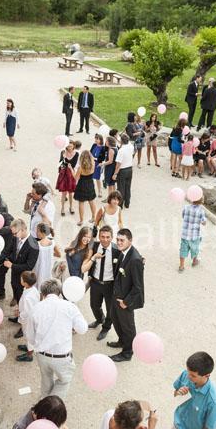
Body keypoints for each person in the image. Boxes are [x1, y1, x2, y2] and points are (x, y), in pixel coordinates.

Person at [31, 279, 88, 398]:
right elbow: (82, 329)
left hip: (42, 354)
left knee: (46, 380)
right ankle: (50, 404)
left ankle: (44, 401)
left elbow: (30, 335)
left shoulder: (36, 308)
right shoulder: (70, 306)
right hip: (62, 356)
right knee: (64, 381)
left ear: (43, 293)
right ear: (60, 292)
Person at [108, 229, 144, 362]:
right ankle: (122, 341)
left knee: (127, 326)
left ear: (130, 240)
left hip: (125, 301)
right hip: (116, 295)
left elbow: (138, 287)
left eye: (122, 240)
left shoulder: (135, 260)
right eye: (117, 240)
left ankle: (127, 352)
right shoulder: (123, 252)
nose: (118, 242)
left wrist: (126, 302)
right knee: (115, 319)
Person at [80, 225, 120, 341]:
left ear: (112, 237)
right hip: (95, 282)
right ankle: (99, 319)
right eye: (102, 236)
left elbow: (128, 256)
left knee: (110, 310)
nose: (105, 240)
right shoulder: (94, 246)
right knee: (94, 305)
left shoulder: (117, 250)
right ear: (99, 236)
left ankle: (106, 327)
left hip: (110, 285)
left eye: (108, 237)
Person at [4, 219, 40, 305]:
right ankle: (15, 297)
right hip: (14, 270)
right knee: (13, 284)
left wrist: (12, 266)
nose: (14, 235)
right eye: (13, 233)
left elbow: (29, 266)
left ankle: (20, 304)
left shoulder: (33, 245)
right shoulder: (15, 237)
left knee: (20, 290)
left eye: (15, 233)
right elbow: (11, 250)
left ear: (23, 229)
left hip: (23, 274)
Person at [15, 271, 40, 362]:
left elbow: (28, 312)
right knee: (28, 334)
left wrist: (19, 314)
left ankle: (29, 355)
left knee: (29, 335)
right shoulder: (32, 289)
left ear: (25, 283)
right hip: (30, 317)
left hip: (28, 320)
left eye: (21, 279)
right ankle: (29, 348)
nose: (20, 280)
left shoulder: (28, 297)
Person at [179, 198, 206, 272]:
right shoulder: (201, 211)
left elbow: (183, 216)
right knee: (195, 248)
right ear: (201, 201)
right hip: (195, 235)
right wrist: (201, 221)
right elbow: (204, 222)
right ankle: (194, 261)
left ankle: (181, 266)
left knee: (183, 249)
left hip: (185, 234)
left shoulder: (186, 207)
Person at [74, 149, 97, 225]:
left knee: (81, 202)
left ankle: (81, 220)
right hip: (90, 183)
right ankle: (93, 217)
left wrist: (71, 170)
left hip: (82, 185)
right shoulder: (93, 164)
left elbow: (75, 178)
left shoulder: (80, 168)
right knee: (91, 201)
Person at [33, 223, 60, 288]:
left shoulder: (37, 244)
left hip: (39, 270)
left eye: (37, 231)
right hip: (49, 269)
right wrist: (49, 253)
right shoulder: (52, 242)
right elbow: (58, 254)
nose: (36, 233)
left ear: (43, 233)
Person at [56, 142, 78, 216]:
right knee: (63, 193)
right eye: (68, 146)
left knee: (70, 193)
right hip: (64, 174)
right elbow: (60, 163)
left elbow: (73, 164)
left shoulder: (76, 154)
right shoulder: (63, 152)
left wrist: (66, 158)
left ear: (74, 146)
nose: (69, 148)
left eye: (71, 146)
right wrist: (63, 158)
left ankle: (71, 207)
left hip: (71, 174)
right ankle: (62, 208)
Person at [113, 134, 134, 209]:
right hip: (130, 169)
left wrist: (115, 174)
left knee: (121, 188)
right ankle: (127, 203)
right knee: (128, 187)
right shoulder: (131, 146)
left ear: (121, 141)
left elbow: (118, 163)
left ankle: (120, 205)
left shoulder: (121, 150)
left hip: (122, 170)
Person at [90, 134, 106, 198]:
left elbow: (103, 158)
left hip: (98, 164)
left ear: (101, 140)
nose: (96, 140)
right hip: (91, 163)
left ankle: (100, 191)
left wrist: (95, 159)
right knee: (90, 177)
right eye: (95, 138)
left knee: (97, 178)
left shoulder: (103, 148)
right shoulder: (94, 145)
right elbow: (90, 152)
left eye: (97, 139)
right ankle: (91, 190)